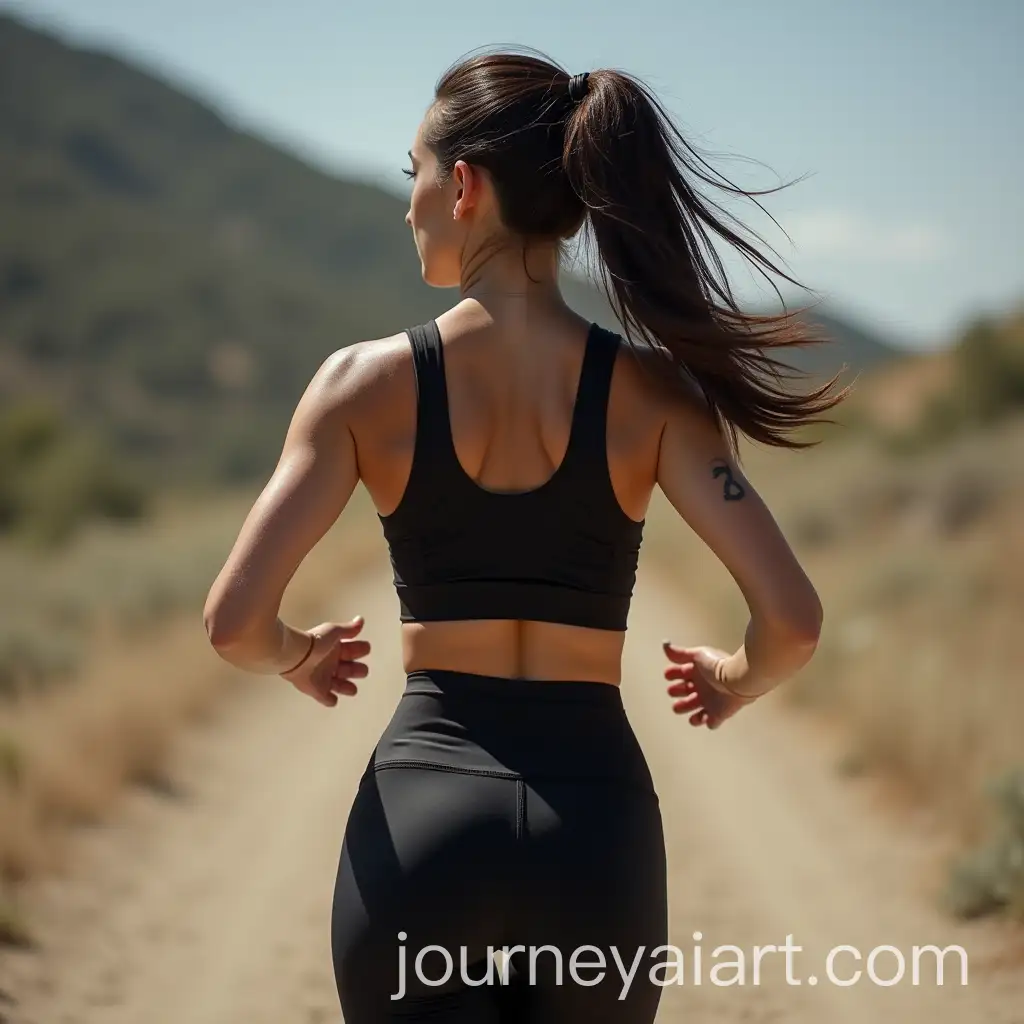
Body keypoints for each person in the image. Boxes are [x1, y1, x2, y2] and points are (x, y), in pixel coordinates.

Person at [204, 48, 848, 1024]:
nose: (407, 202)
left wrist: (295, 654)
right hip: (595, 825)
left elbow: (232, 624)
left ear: (461, 186)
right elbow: (791, 623)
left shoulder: (361, 384)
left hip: (422, 818)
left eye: (411, 174)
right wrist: (732, 679)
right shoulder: (654, 395)